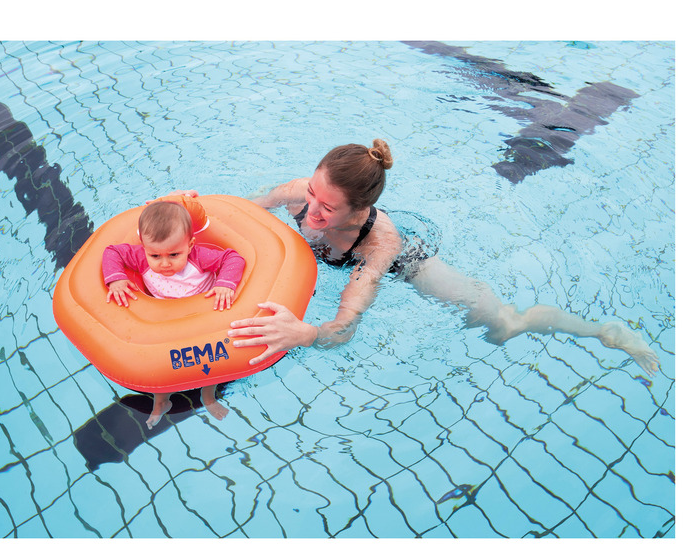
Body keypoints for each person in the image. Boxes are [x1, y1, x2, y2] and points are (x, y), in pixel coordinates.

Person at [225, 139, 661, 378]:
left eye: (327, 208)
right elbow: (241, 213)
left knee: (501, 324)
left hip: (410, 266)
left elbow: (344, 328)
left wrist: (306, 333)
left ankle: (603, 330)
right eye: (311, 196)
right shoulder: (300, 193)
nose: (311, 211)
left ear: (357, 209)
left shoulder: (380, 246)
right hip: (336, 256)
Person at [103, 199, 246, 427]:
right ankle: (161, 401)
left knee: (209, 362)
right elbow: (112, 252)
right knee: (162, 366)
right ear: (144, 247)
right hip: (167, 319)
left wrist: (225, 284)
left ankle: (208, 397)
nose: (164, 264)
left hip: (204, 317)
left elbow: (233, 257)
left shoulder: (199, 257)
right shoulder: (141, 257)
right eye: (156, 256)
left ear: (190, 245)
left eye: (174, 255)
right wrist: (117, 279)